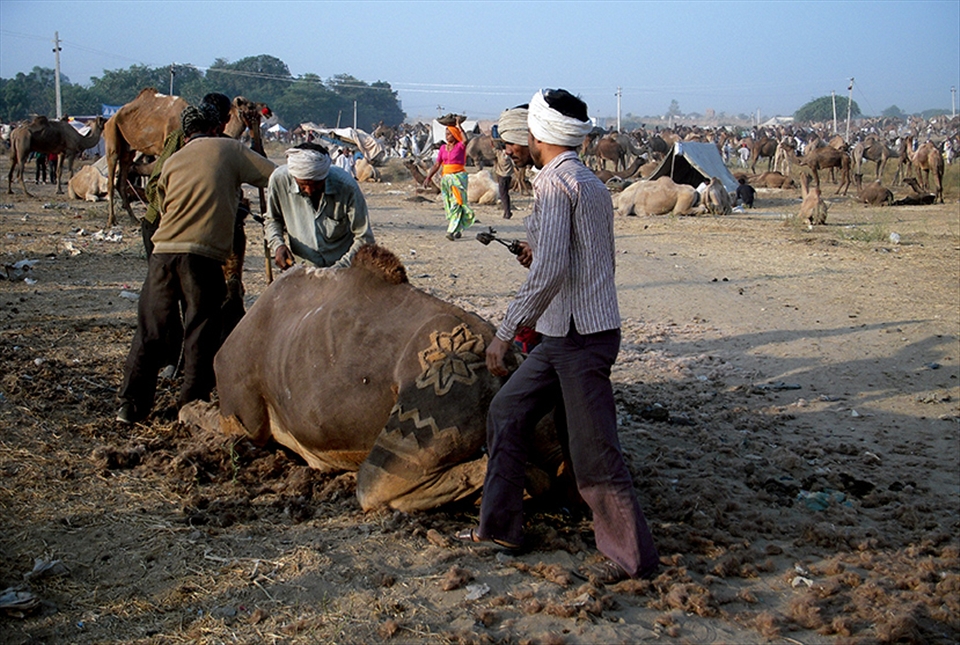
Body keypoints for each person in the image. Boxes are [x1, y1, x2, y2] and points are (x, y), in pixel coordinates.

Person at [457, 89, 659, 584]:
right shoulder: (588, 181)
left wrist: (504, 332)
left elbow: (548, 274)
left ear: (538, 135)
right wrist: (541, 253)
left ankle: (633, 560)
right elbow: (583, 258)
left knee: (595, 452)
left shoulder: (552, 185)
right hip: (569, 332)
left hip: (577, 338)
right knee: (507, 410)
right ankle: (501, 527)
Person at [116, 103, 276, 424]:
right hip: (202, 257)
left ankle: (129, 405)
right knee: (200, 330)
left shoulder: (172, 161)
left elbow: (158, 196)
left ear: (185, 134)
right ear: (216, 128)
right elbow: (273, 175)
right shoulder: (230, 149)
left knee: (151, 331)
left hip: (162, 255)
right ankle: (191, 404)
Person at [265, 143, 375, 270]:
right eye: (303, 185)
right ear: (294, 177)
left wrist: (335, 270)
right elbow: (272, 220)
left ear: (325, 175)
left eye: (316, 184)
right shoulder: (279, 181)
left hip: (344, 271)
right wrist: (278, 245)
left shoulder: (346, 187)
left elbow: (365, 238)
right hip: (304, 269)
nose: (310, 190)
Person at [423, 122, 475, 240]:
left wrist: (458, 125)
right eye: (446, 134)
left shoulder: (460, 146)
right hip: (446, 179)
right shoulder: (442, 148)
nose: (447, 136)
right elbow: (437, 164)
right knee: (450, 203)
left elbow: (465, 140)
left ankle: (450, 231)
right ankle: (459, 228)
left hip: (458, 177)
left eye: (450, 134)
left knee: (458, 202)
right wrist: (428, 177)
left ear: (455, 134)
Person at [492, 109, 527, 220]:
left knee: (503, 195)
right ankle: (507, 211)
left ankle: (507, 212)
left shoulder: (502, 155)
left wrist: (491, 139)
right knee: (505, 194)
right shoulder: (510, 157)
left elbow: (493, 148)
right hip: (508, 176)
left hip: (502, 176)